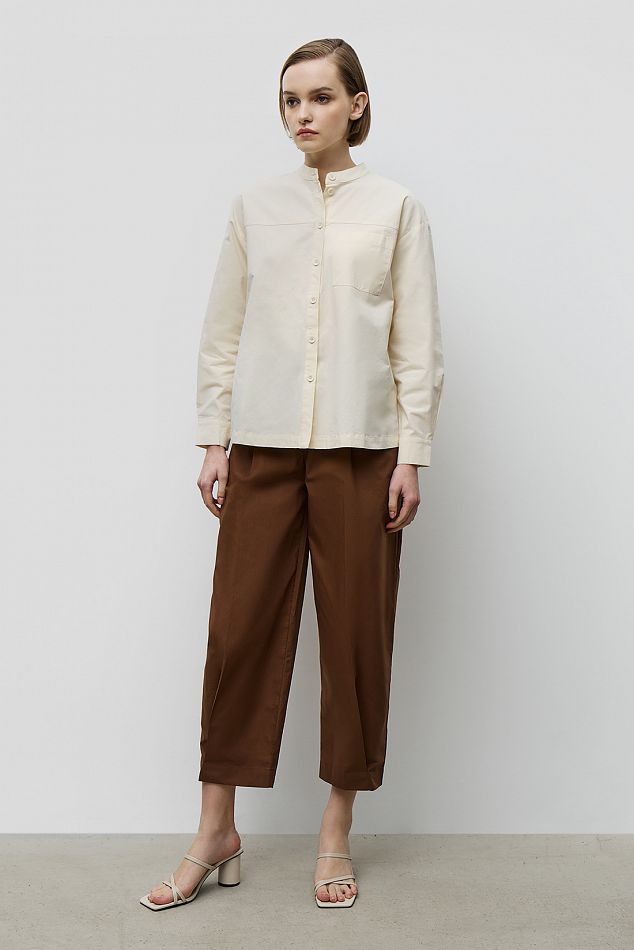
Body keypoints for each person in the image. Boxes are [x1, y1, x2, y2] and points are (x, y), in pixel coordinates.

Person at [140, 36, 444, 912]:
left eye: (318, 97)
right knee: (238, 633)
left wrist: (412, 453)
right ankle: (216, 831)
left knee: (355, 638)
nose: (301, 114)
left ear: (356, 104)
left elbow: (416, 342)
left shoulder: (395, 208)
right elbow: (223, 329)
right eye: (289, 100)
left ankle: (335, 830)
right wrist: (214, 439)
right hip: (264, 447)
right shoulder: (255, 207)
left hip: (362, 449)